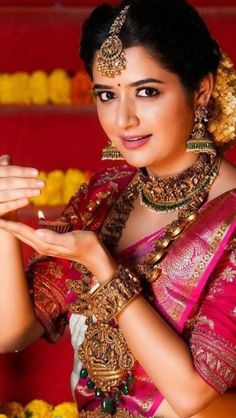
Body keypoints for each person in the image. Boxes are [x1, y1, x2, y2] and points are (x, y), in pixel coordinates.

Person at [0, 0, 235, 417]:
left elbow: (193, 394)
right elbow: (11, 332)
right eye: (107, 95)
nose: (123, 119)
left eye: (146, 92)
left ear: (200, 90)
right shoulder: (104, 196)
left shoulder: (230, 217)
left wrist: (103, 268)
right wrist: (3, 222)